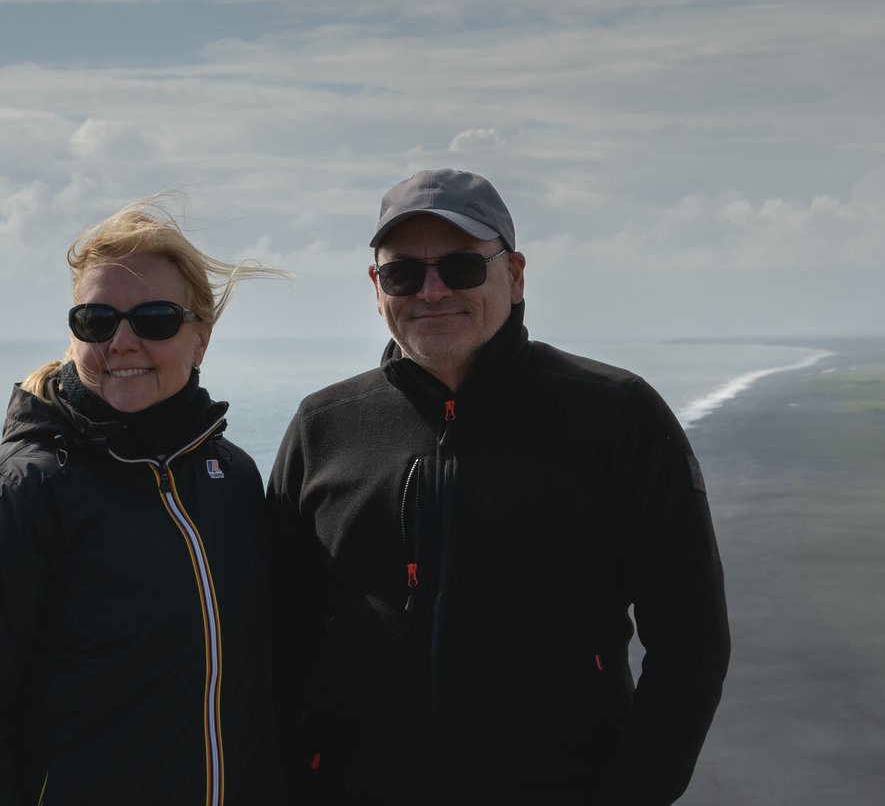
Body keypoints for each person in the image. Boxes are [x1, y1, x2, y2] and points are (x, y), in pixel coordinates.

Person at [268, 169, 730, 806]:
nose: (432, 291)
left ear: (513, 276)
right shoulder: (324, 428)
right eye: (404, 273)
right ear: (377, 288)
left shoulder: (615, 415)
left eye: (461, 267)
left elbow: (691, 637)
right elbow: (279, 637)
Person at [0, 199, 286, 804]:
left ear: (201, 339)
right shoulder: (11, 492)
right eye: (96, 320)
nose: (122, 341)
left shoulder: (233, 477)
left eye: (156, 319)